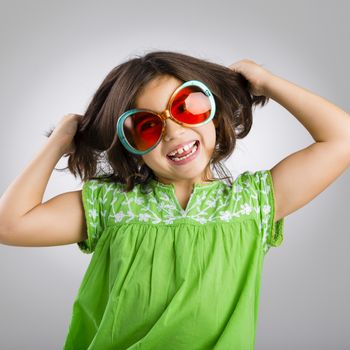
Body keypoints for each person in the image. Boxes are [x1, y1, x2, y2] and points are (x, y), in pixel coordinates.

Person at [1, 51, 350, 350]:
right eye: (147, 126)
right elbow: (10, 224)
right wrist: (59, 141)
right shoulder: (113, 205)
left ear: (214, 110)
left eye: (187, 107)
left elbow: (342, 138)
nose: (174, 132)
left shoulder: (253, 201)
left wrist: (267, 81)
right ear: (130, 145)